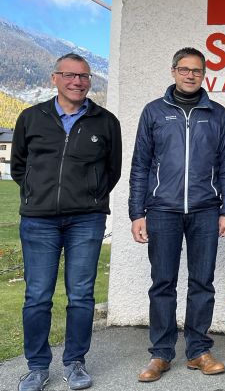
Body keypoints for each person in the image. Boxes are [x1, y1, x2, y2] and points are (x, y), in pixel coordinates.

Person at [11, 53, 122, 391]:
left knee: (81, 295)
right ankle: (37, 366)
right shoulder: (31, 118)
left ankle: (75, 362)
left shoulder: (105, 121)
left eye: (84, 76)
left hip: (86, 221)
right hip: (39, 221)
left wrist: (89, 198)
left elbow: (112, 170)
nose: (78, 82)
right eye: (70, 75)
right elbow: (19, 166)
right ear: (54, 78)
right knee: (38, 296)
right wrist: (36, 194)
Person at [129, 47, 225, 382]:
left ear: (204, 74)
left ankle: (198, 351)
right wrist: (137, 212)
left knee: (202, 282)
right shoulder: (154, 113)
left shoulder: (216, 113)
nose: (191, 75)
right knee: (162, 283)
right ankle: (161, 354)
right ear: (173, 71)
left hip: (206, 210)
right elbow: (140, 165)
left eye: (197, 70)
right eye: (184, 69)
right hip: (162, 210)